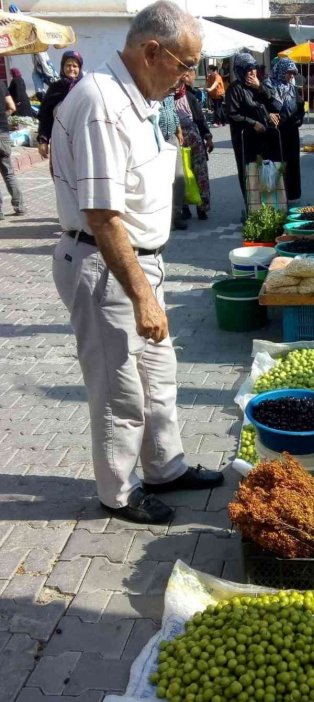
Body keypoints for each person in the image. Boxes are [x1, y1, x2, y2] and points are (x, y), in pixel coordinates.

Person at [49, 0, 223, 525]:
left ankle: (165, 467)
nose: (189, 76)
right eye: (186, 64)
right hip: (105, 265)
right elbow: (103, 217)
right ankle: (118, 492)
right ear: (152, 51)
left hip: (139, 262)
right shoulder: (102, 102)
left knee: (158, 373)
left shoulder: (137, 97)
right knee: (119, 387)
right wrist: (142, 296)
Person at [225, 52, 279, 200]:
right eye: (248, 69)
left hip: (264, 136)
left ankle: (269, 205)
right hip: (246, 139)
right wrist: (253, 123)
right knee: (250, 173)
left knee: (267, 170)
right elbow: (232, 114)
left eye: (254, 68)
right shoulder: (234, 89)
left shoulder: (258, 85)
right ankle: (252, 208)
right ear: (240, 71)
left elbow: (271, 103)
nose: (252, 72)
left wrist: (259, 87)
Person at [263, 57, 303, 202]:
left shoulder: (292, 88)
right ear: (281, 71)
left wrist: (300, 117)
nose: (291, 76)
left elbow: (299, 105)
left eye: (293, 73)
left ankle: (291, 195)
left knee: (292, 163)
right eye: (288, 72)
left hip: (292, 132)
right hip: (276, 133)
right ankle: (277, 196)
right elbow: (263, 107)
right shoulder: (268, 86)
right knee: (277, 162)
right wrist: (268, 116)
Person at [175, 68, 213, 220]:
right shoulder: (166, 98)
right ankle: (183, 208)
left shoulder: (190, 96)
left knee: (200, 173)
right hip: (177, 140)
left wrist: (208, 137)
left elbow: (200, 119)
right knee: (181, 174)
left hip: (193, 138)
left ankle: (202, 207)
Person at [37, 51, 84, 160]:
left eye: (75, 66)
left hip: (82, 141)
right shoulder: (55, 88)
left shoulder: (85, 87)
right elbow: (45, 116)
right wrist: (43, 140)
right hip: (60, 142)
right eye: (68, 65)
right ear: (62, 67)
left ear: (80, 68)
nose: (71, 68)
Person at [158, 92, 186, 230]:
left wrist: (179, 130)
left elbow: (173, 112)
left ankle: (177, 214)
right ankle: (166, 219)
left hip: (172, 138)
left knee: (179, 179)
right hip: (157, 140)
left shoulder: (169, 94)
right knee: (162, 181)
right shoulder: (151, 93)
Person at [0, 79, 25, 220]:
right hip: (3, 133)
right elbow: (12, 107)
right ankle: (19, 206)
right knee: (8, 173)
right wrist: (3, 115)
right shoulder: (2, 84)